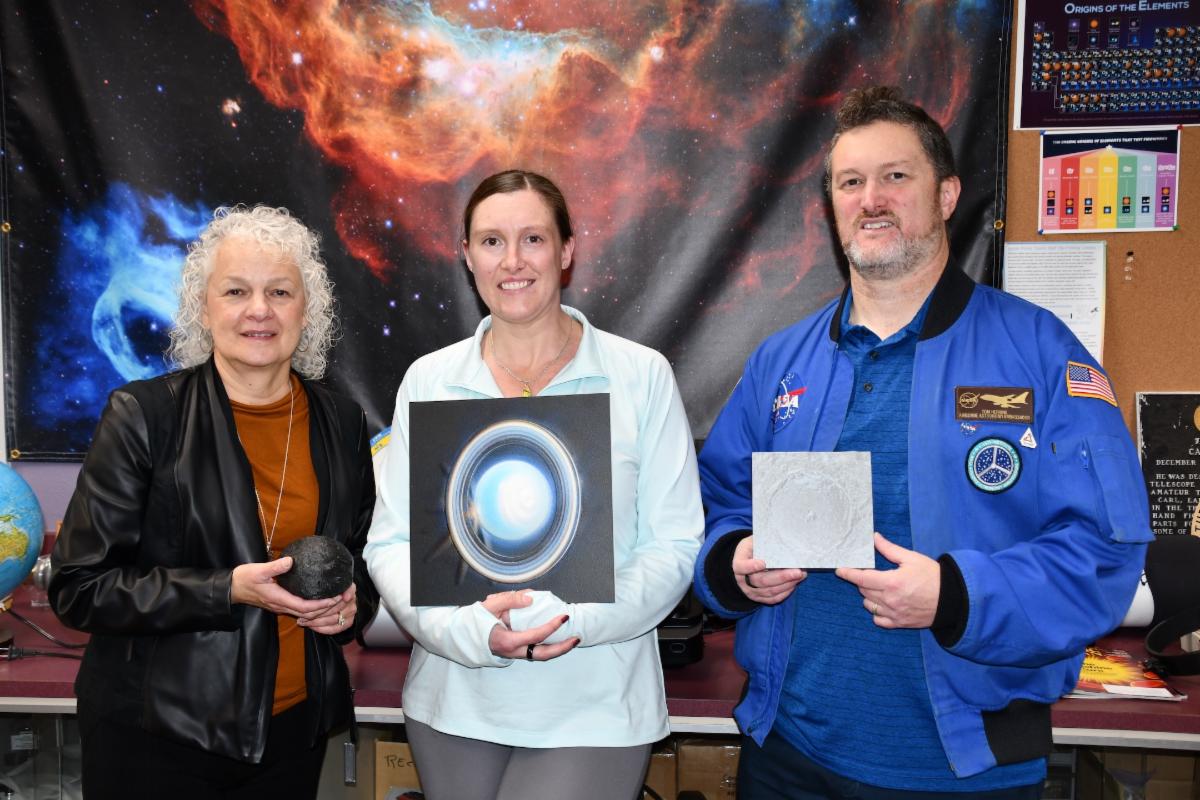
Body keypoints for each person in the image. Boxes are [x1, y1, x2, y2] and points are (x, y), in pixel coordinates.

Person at [692, 86, 1152, 798]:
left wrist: (957, 597)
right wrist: (734, 565)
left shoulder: (1039, 352)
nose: (871, 199)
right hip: (788, 755)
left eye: (896, 176)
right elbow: (717, 503)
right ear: (831, 205)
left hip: (964, 770)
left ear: (946, 196)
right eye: (850, 182)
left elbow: (1103, 551)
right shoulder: (781, 364)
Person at [365, 169, 703, 800]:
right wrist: (470, 633)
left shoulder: (639, 377)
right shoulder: (430, 381)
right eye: (491, 241)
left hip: (594, 699)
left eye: (534, 239)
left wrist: (571, 617)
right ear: (467, 256)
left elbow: (674, 544)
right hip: (454, 699)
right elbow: (391, 544)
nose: (513, 261)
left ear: (567, 250)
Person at [49, 205, 379, 799]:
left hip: (291, 734)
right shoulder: (143, 416)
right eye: (236, 291)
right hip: (156, 739)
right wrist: (227, 589)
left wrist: (350, 605)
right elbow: (79, 587)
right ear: (204, 308)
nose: (260, 310)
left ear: (307, 310)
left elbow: (359, 560)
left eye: (280, 291)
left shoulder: (344, 423)